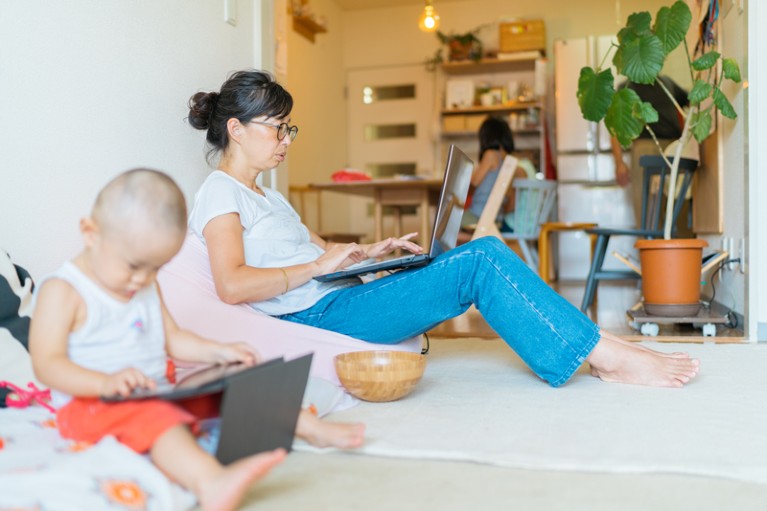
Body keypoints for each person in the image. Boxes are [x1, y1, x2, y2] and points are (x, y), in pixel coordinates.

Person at [186, 69, 700, 389]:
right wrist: (320, 265)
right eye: (278, 127)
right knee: (481, 259)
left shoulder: (268, 194)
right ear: (236, 128)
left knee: (473, 254)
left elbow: (322, 251)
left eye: (288, 128)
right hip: (320, 315)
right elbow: (232, 284)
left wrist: (369, 252)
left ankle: (595, 344)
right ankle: (605, 355)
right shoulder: (220, 192)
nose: (286, 139)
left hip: (339, 293)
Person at [29, 169, 363, 511]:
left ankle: (307, 427)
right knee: (154, 418)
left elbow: (173, 339)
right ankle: (211, 482)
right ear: (91, 233)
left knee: (233, 383)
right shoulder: (64, 291)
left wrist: (217, 351)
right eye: (133, 266)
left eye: (155, 268)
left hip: (155, 390)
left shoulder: (144, 285)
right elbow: (47, 365)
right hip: (89, 405)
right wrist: (105, 382)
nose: (142, 279)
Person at [611, 75, 691, 232]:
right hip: (644, 148)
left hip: (673, 148)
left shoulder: (667, 82)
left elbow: (691, 102)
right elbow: (614, 126)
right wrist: (619, 162)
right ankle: (649, 253)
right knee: (646, 212)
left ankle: (676, 252)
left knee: (677, 210)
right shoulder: (627, 87)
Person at [460, 115, 536, 235]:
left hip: (511, 224)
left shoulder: (513, 166)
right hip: (530, 224)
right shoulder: (522, 164)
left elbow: (473, 183)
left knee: (448, 224)